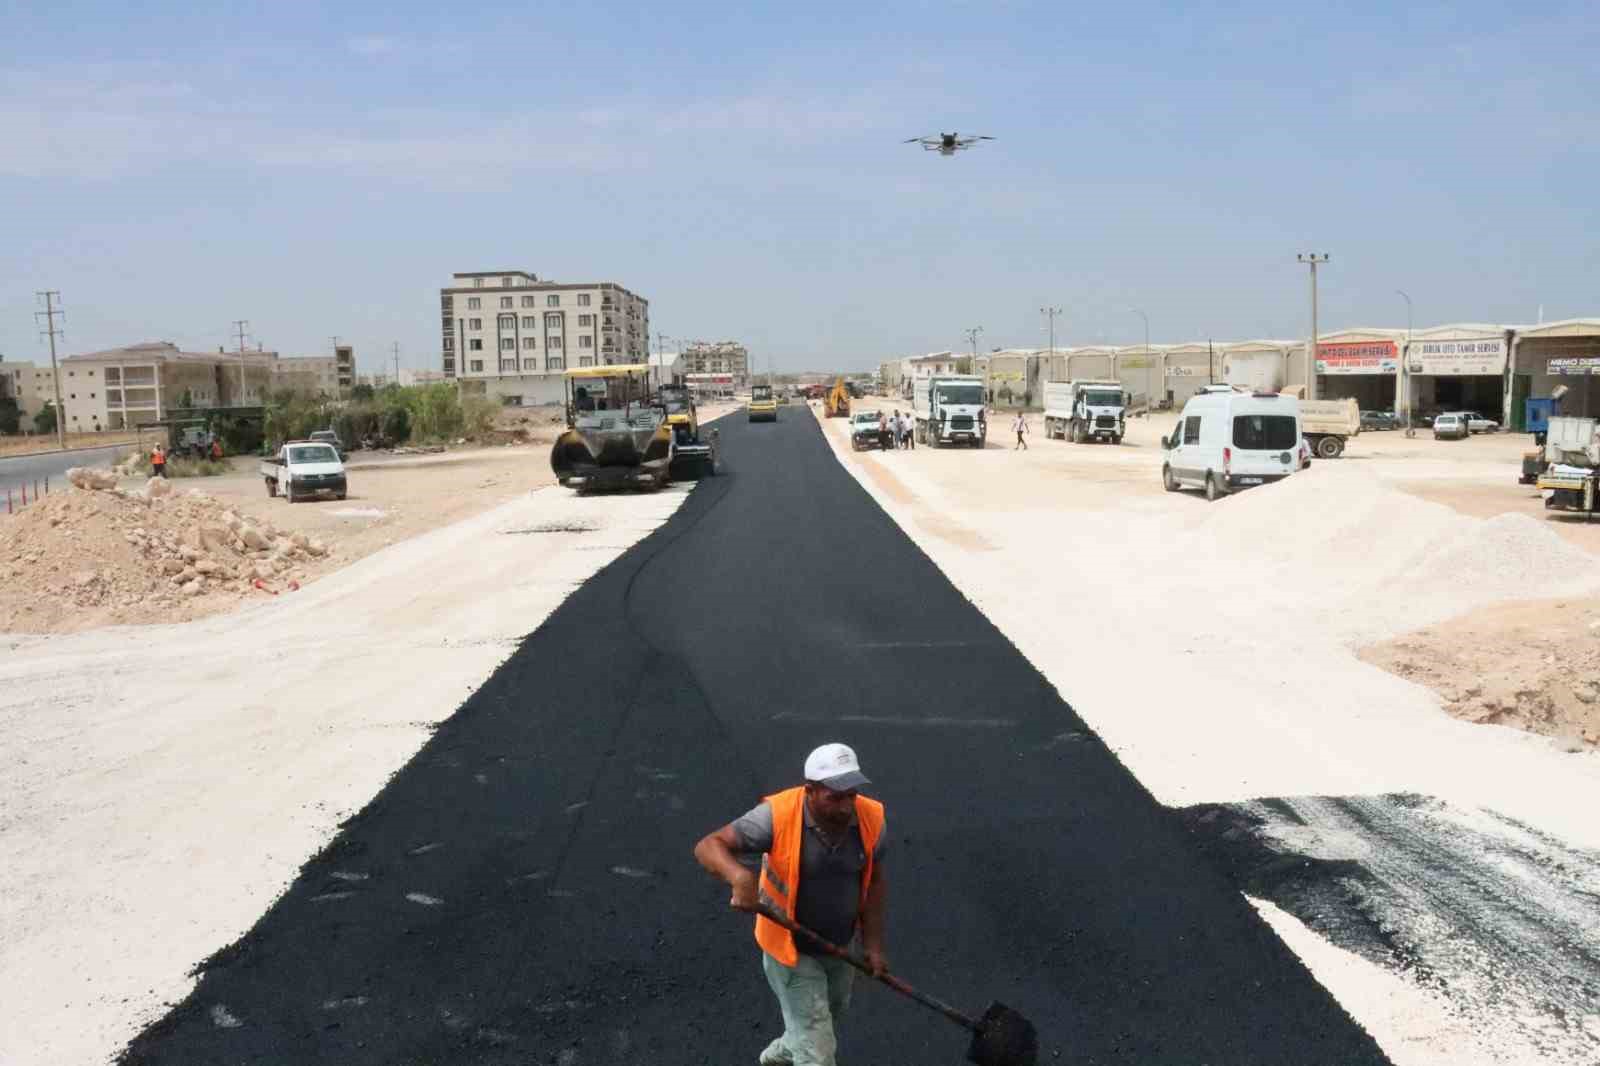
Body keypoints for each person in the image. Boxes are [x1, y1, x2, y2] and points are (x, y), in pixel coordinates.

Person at [694, 744, 888, 1066]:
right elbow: (708, 846)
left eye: (851, 795)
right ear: (810, 791)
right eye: (835, 797)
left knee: (824, 1021)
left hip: (839, 946)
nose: (845, 807)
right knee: (817, 1051)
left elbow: (874, 882)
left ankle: (778, 1057)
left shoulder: (871, 819)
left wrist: (873, 944)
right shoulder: (777, 816)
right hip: (789, 949)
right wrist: (740, 878)